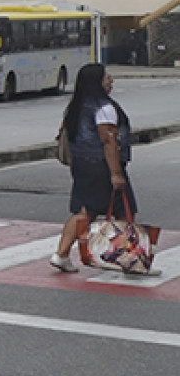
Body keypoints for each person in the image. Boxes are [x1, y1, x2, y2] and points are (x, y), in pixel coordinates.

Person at [50, 63, 138, 272]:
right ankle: (126, 258)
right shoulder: (103, 107)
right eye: (107, 77)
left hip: (81, 165)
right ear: (97, 82)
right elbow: (108, 141)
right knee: (125, 211)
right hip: (102, 167)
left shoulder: (76, 107)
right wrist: (116, 174)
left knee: (84, 211)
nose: (111, 81)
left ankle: (61, 254)